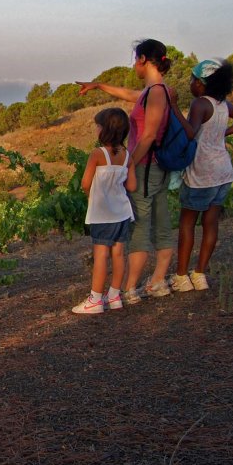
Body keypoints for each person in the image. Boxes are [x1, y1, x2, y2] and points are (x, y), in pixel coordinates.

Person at [77, 39, 176, 305]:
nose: (134, 66)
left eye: (135, 60)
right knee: (162, 224)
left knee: (141, 229)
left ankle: (129, 290)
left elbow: (150, 135)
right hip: (156, 168)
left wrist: (126, 164)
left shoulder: (155, 92)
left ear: (143, 59)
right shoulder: (159, 90)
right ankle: (158, 281)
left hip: (145, 168)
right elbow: (127, 94)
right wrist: (98, 85)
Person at [168, 59, 233, 291]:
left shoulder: (200, 104)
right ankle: (200, 274)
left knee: (187, 222)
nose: (190, 83)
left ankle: (181, 277)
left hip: (202, 172)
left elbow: (189, 133)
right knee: (211, 222)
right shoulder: (223, 105)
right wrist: (222, 133)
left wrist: (174, 107)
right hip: (223, 172)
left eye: (193, 79)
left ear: (202, 84)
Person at [72, 108, 137, 314]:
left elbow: (85, 183)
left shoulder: (97, 154)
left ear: (104, 130)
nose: (96, 129)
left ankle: (95, 300)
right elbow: (132, 187)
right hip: (122, 213)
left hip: (103, 214)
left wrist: (91, 193)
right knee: (118, 254)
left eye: (97, 126)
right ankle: (115, 296)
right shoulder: (127, 156)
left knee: (101, 255)